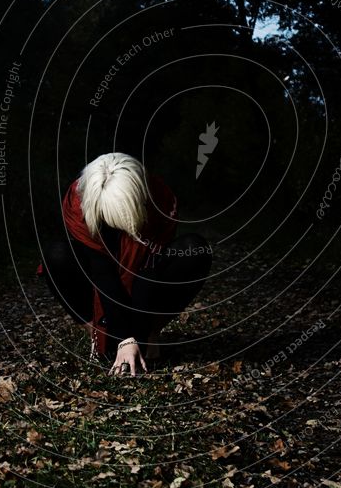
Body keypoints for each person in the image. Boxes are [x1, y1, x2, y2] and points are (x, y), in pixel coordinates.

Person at [39, 153, 213, 376]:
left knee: (193, 248)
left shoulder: (160, 198)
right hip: (99, 278)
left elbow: (148, 271)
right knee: (57, 253)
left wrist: (137, 336)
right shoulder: (77, 202)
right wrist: (122, 338)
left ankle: (151, 331)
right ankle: (96, 332)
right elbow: (101, 270)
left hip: (145, 277)